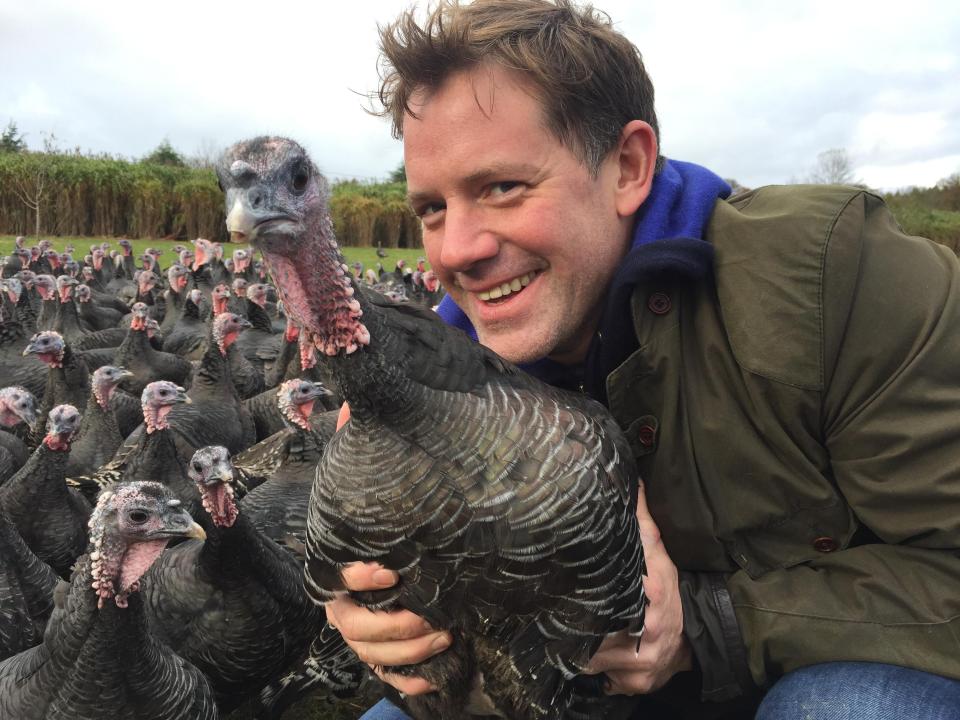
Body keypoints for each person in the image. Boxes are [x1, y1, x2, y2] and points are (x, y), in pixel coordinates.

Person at [324, 1, 960, 718]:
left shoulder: (836, 277)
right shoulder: (423, 395)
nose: (456, 250)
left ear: (628, 166)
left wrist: (707, 626)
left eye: (501, 187)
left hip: (825, 665)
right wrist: (391, 626)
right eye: (432, 209)